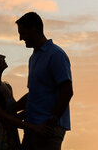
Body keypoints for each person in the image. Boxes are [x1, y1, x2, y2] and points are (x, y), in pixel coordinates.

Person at [14, 12, 73, 150]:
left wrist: (51, 121)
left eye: (23, 33)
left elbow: (67, 91)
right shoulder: (33, 58)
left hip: (48, 130)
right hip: (32, 128)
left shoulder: (56, 54)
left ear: (34, 29)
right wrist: (11, 110)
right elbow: (34, 94)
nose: (20, 38)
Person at [0, 47, 39, 150]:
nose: (3, 57)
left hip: (11, 135)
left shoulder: (7, 87)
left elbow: (12, 115)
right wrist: (32, 127)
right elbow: (4, 117)